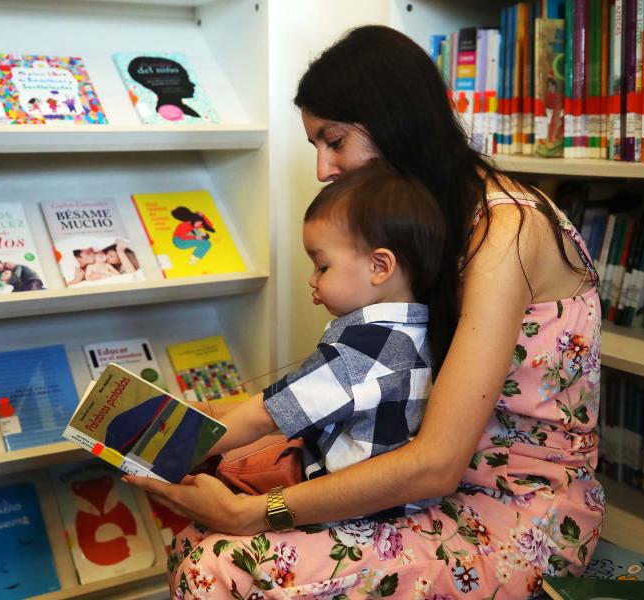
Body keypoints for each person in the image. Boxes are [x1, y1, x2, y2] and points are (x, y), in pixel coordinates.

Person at [126, 25, 603, 599]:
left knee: (219, 562)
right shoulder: (423, 222)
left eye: (335, 141)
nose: (324, 168)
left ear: (396, 121)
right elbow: (356, 384)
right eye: (316, 146)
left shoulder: (505, 230)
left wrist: (260, 513)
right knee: (204, 517)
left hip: (512, 511)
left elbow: (436, 464)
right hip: (425, 490)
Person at [206, 164, 444, 515]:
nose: (312, 280)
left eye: (322, 267)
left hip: (356, 508)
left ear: (379, 266)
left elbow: (264, 414)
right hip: (404, 502)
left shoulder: (362, 351)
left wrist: (186, 447)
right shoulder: (421, 330)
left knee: (214, 478)